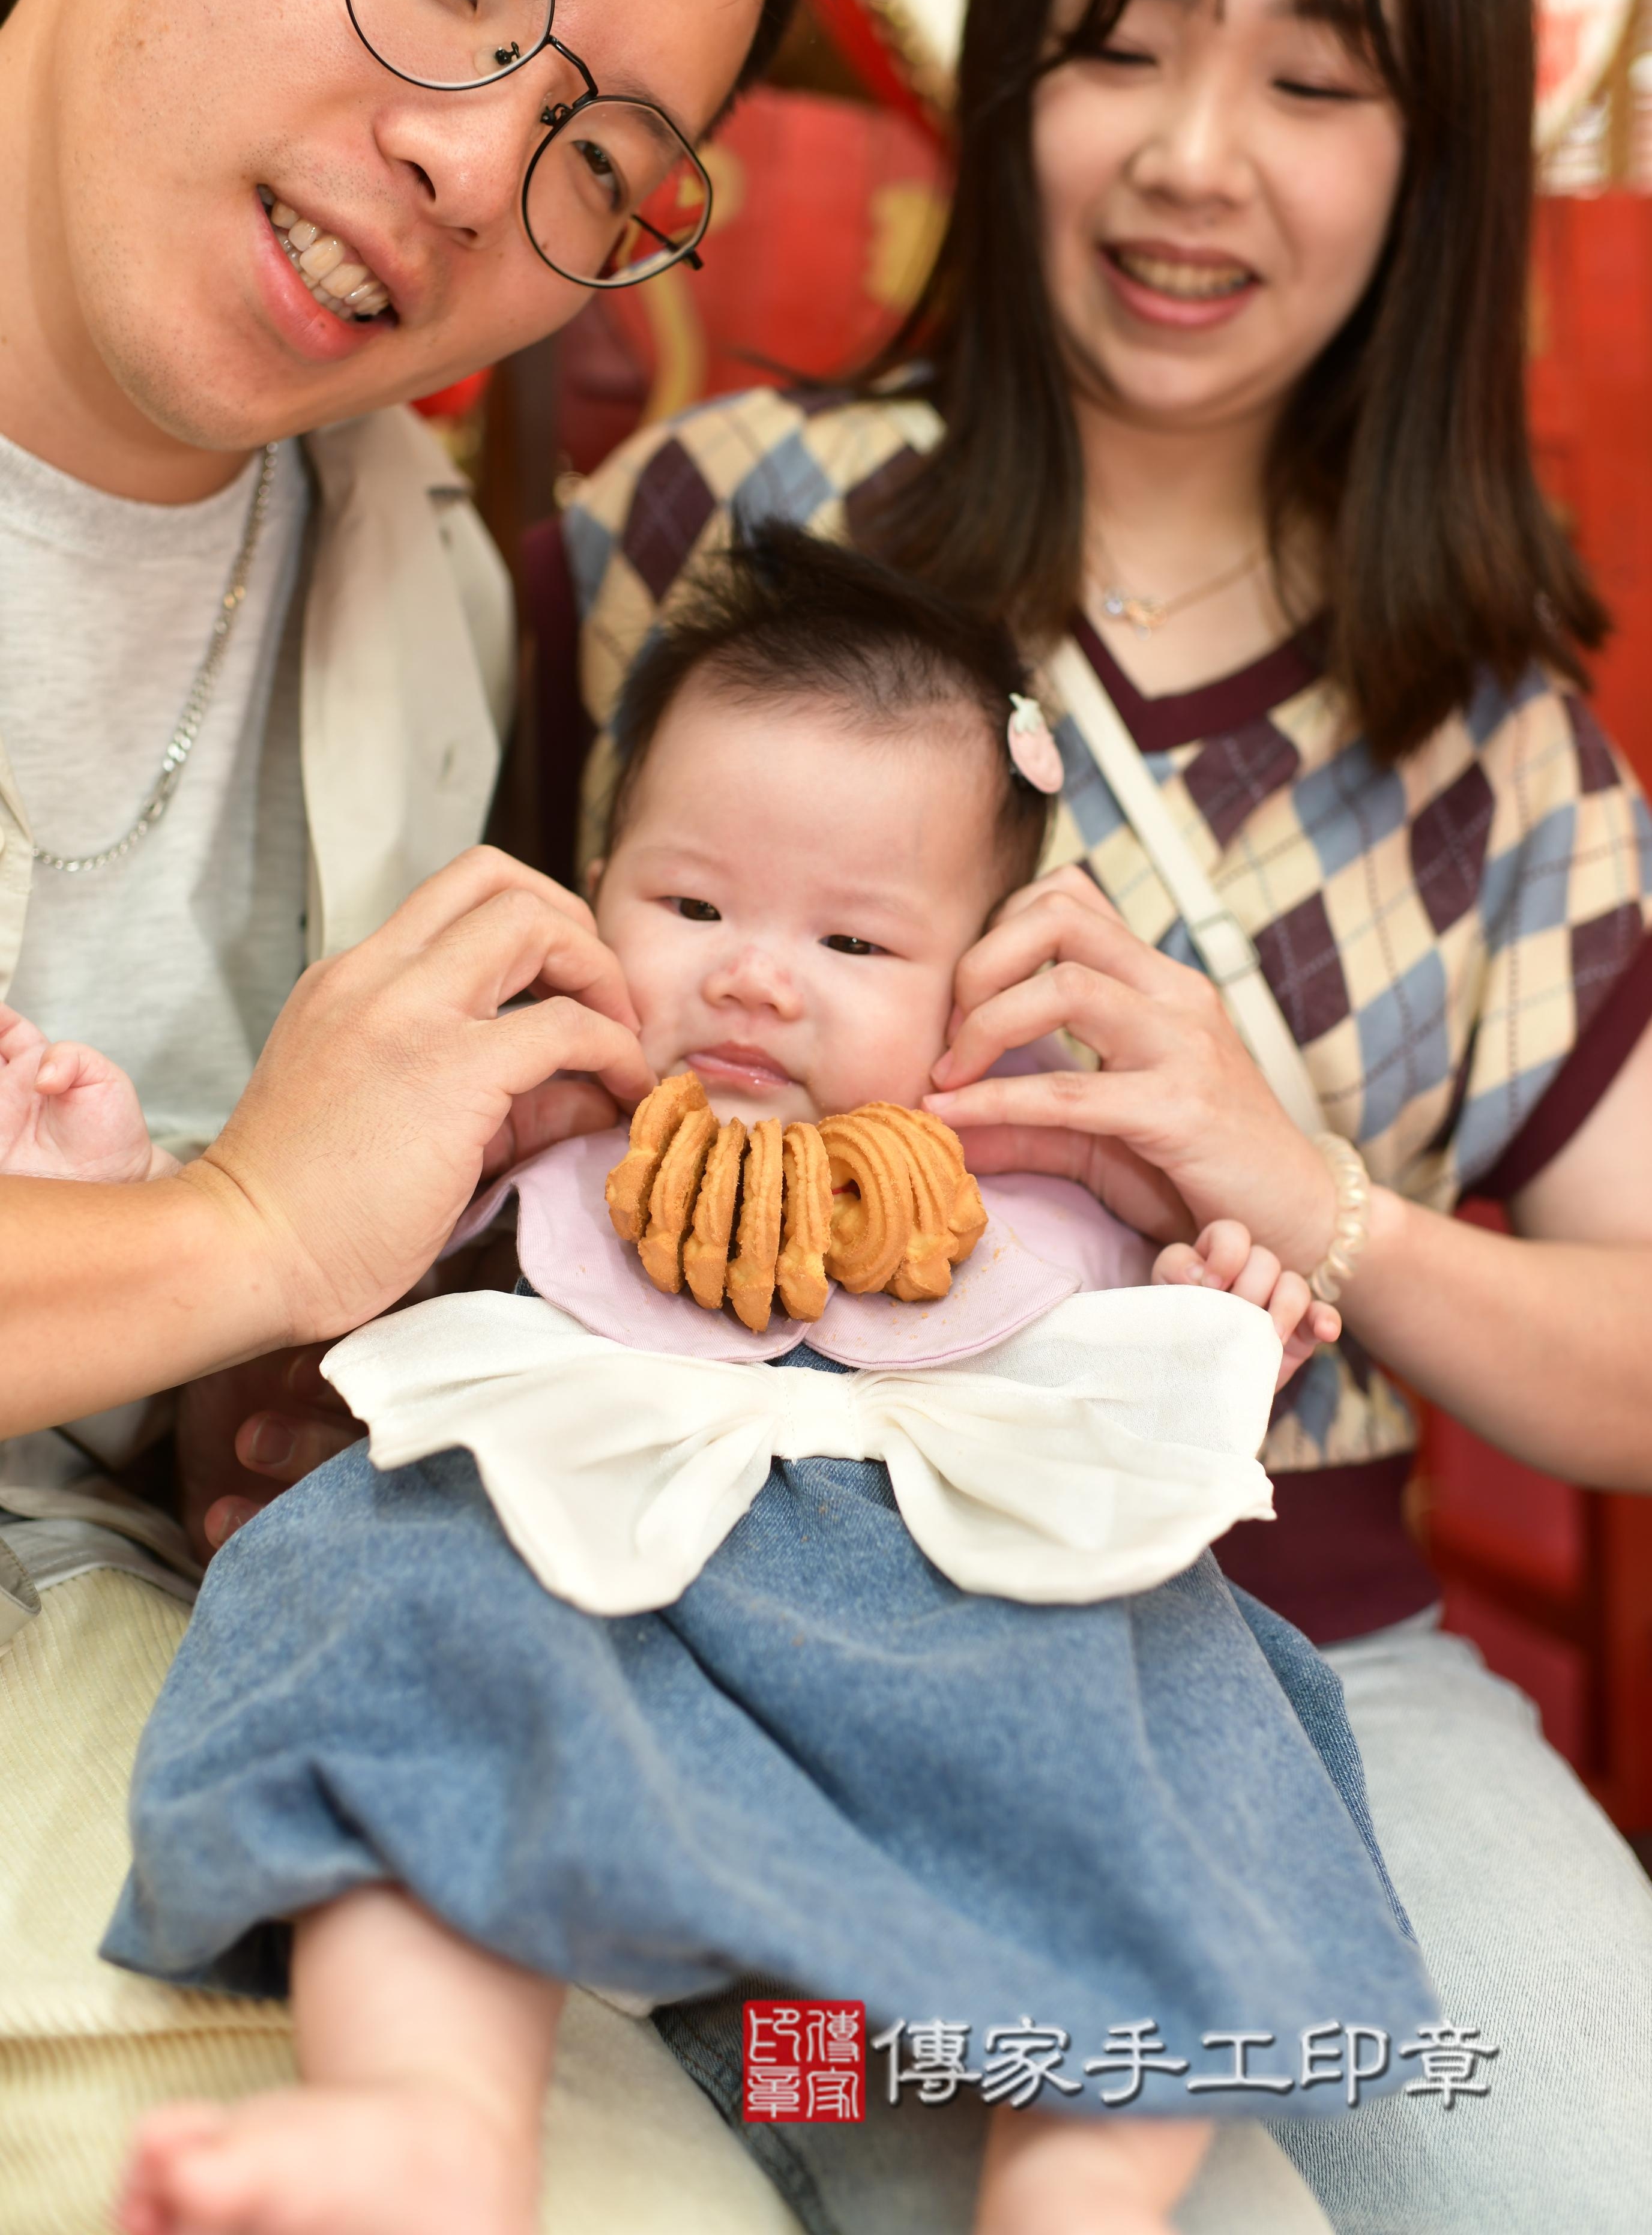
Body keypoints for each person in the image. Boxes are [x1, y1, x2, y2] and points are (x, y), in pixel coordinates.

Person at [563, 0, 1652, 2228]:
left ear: (1434, 148)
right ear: (1008, 75)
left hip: (1317, 1669)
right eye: (1120, 41)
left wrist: (1309, 1205)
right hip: (775, 1647)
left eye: (1313, 79)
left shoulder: (1500, 739)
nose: (1193, 156)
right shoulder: (731, 524)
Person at [77, 532, 1435, 2235]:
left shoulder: (1047, 1169)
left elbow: (1162, 1394)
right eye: (694, 904)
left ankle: (1081, 2193)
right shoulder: (547, 1119)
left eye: (856, 943)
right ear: (598, 885)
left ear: (988, 986)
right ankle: (427, 2117)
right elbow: (326, 1281)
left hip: (955, 1646)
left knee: (1161, 1688)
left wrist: (1227, 1307)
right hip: (590, 1610)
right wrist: (131, 1185)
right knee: (394, 1587)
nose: (755, 973)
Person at [0, 0, 861, 2206]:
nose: (483, 171)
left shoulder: (421, 594)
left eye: (602, 162)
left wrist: (281, 1382)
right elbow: (241, 1217)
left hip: (190, 1672)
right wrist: (239, 1235)